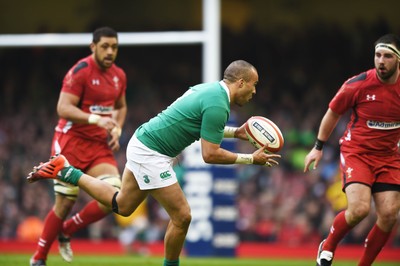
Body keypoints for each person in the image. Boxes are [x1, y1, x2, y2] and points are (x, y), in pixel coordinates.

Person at [27, 60, 281, 266]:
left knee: (123, 205)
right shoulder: (218, 103)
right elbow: (210, 154)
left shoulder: (209, 91)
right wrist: (251, 159)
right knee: (182, 216)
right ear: (241, 82)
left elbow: (201, 127)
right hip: (152, 153)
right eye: (254, 85)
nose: (255, 91)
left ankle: (67, 170)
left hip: (145, 143)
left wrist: (236, 133)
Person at [29, 27, 127, 266]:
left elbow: (121, 106)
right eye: (104, 46)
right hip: (70, 142)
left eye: (114, 47)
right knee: (64, 204)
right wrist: (96, 119)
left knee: (115, 198)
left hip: (97, 145)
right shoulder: (80, 72)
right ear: (93, 47)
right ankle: (38, 258)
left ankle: (68, 229)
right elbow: (63, 108)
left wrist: (117, 129)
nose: (110, 51)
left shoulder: (119, 76)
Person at [304, 34, 400, 266]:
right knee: (359, 210)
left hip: (389, 157)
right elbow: (333, 113)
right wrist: (318, 147)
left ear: (398, 60)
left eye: (387, 56)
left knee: (389, 215)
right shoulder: (357, 84)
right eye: (378, 55)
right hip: (357, 153)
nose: (381, 61)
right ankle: (328, 246)